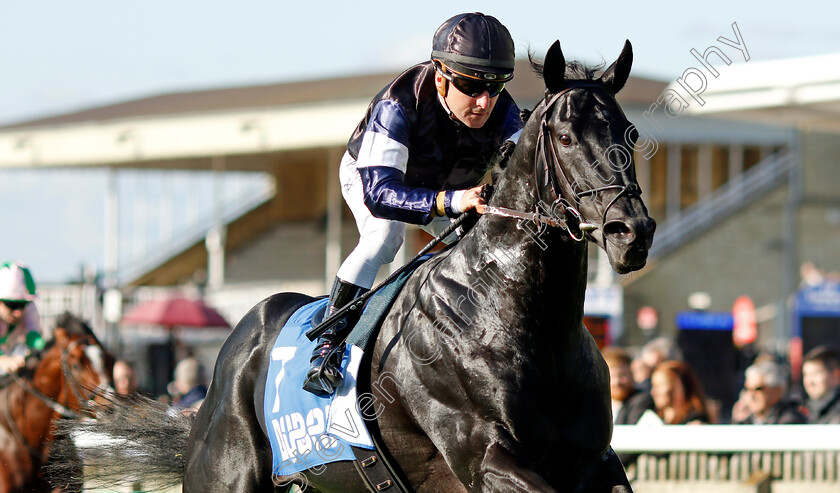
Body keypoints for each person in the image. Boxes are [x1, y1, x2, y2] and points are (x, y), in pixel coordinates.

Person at [303, 12, 524, 396]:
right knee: (383, 237)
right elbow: (381, 194)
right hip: (374, 176)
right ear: (441, 74)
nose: (485, 101)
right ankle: (327, 347)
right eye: (472, 86)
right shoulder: (399, 103)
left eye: (497, 86)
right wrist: (452, 200)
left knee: (482, 250)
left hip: (444, 188)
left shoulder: (505, 113)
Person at [0, 261, 44, 374]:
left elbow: (34, 337)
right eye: (12, 305)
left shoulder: (30, 308)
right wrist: (2, 360)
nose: (18, 313)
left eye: (22, 305)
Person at [732, 359, 806, 424]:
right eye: (747, 389)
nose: (751, 395)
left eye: (758, 389)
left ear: (777, 391)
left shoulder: (790, 420)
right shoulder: (745, 421)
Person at [602, 347, 655, 424]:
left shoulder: (641, 401)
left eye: (622, 375)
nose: (617, 382)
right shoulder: (599, 406)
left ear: (632, 375)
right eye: (612, 376)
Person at [801, 346, 840, 424]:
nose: (810, 382)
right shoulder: (804, 411)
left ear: (836, 375)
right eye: (806, 375)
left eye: (815, 373)